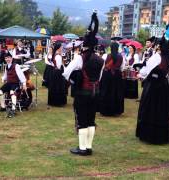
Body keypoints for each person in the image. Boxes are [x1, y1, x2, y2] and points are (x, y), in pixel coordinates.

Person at [63, 11, 104, 156]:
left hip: (82, 93)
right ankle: (89, 146)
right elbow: (99, 76)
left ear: (85, 44)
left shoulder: (80, 58)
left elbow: (66, 72)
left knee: (82, 119)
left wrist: (75, 79)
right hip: (95, 93)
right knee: (91, 119)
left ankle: (82, 148)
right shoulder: (100, 59)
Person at [136, 36, 169, 144]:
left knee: (150, 109)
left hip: (153, 86)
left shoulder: (156, 57)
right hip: (163, 87)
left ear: (158, 46)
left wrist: (140, 74)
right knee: (161, 110)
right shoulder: (168, 58)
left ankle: (149, 134)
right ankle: (160, 135)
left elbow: (147, 71)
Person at [0, 52, 27, 118]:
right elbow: (5, 75)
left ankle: (13, 109)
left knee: (12, 92)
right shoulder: (6, 66)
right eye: (6, 58)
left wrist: (24, 84)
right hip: (8, 83)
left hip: (16, 84)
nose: (7, 59)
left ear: (11, 58)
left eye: (8, 58)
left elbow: (21, 76)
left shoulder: (16, 66)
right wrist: (3, 79)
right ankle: (3, 107)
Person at [99, 42, 124, 116]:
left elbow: (103, 66)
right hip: (117, 75)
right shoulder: (121, 57)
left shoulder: (106, 56)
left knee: (106, 91)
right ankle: (116, 111)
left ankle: (105, 110)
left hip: (107, 75)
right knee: (116, 92)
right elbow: (122, 67)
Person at [47, 42, 67, 107]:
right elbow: (58, 66)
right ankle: (57, 102)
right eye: (61, 47)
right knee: (58, 87)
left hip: (54, 72)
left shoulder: (55, 54)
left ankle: (53, 101)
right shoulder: (58, 56)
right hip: (58, 73)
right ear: (58, 48)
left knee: (54, 87)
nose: (62, 48)